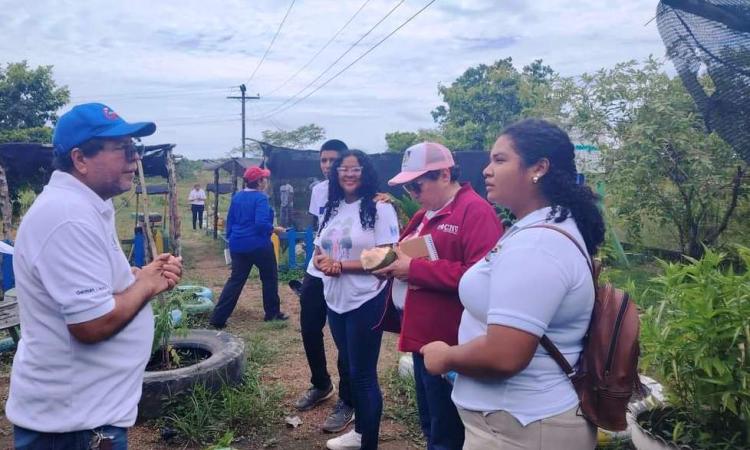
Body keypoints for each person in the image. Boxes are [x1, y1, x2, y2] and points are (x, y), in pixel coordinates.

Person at [5, 103, 183, 450]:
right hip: (73, 429)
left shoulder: (83, 207)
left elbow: (91, 289)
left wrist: (139, 275)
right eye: (124, 150)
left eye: (136, 149)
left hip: (82, 418)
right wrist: (146, 285)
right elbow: (91, 324)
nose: (135, 159)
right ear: (80, 159)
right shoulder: (67, 216)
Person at [420, 119, 605, 450]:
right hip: (513, 423)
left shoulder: (538, 245)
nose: (487, 170)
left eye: (500, 160)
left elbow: (505, 354)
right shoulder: (537, 228)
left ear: (539, 168)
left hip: (522, 428)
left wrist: (445, 357)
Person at [373, 142, 502, 450]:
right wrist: (389, 266)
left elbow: (483, 276)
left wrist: (414, 270)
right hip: (422, 336)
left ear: (444, 175)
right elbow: (404, 257)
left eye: (417, 185)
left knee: (447, 430)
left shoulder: (474, 211)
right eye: (408, 187)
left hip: (451, 339)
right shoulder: (424, 215)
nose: (413, 193)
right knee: (431, 422)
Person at [313, 150, 400, 450]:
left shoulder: (379, 207)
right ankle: (360, 432)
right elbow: (318, 246)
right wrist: (323, 262)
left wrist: (340, 266)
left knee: (363, 375)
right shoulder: (332, 207)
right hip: (335, 300)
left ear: (366, 172)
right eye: (343, 169)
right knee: (349, 367)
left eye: (356, 169)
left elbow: (387, 255)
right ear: (336, 173)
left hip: (366, 299)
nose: (349, 174)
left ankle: (369, 444)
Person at [294, 139, 356, 434]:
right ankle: (321, 383)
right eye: (323, 161)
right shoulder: (319, 190)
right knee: (308, 327)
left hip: (345, 271)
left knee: (344, 338)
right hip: (317, 268)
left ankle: (348, 399)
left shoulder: (359, 192)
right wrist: (319, 259)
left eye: (333, 160)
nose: (328, 166)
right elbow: (321, 227)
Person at [210, 166, 288, 327]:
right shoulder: (260, 198)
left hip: (238, 245)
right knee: (269, 277)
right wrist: (275, 229)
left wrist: (232, 240)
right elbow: (261, 224)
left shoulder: (237, 197)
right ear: (259, 182)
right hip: (258, 245)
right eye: (264, 178)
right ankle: (272, 314)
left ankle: (218, 319)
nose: (266, 181)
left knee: (235, 280)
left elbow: (230, 221)